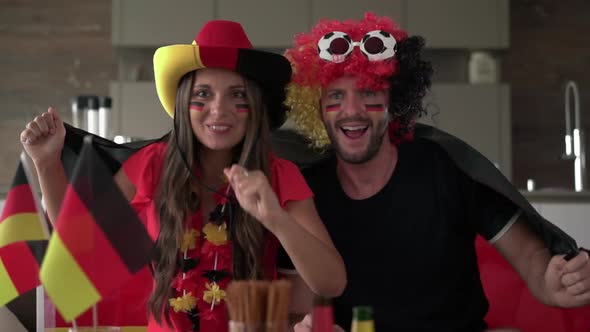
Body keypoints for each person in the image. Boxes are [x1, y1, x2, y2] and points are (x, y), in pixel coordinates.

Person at [19, 20, 346, 332]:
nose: (219, 109)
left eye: (238, 95)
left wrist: (275, 217)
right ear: (184, 103)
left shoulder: (278, 174)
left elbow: (332, 282)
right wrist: (47, 163)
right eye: (203, 94)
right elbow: (81, 250)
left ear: (256, 108)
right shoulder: (151, 165)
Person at [273, 12, 590, 332]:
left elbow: (532, 258)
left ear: (393, 102)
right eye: (336, 96)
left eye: (369, 93)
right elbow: (297, 311)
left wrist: (555, 282)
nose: (352, 110)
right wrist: (308, 327)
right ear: (316, 108)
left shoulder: (447, 168)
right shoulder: (307, 190)